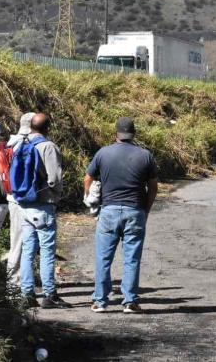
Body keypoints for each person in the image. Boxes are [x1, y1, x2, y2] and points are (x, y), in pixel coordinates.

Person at [84, 117, 158, 314]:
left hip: (108, 211)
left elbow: (88, 178)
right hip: (135, 211)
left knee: (103, 257)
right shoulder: (145, 156)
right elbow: (153, 187)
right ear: (133, 134)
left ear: (116, 133)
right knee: (131, 258)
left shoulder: (103, 153)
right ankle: (130, 301)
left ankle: (100, 301)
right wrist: (146, 209)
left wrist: (90, 198)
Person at [18, 113, 71, 309]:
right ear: (48, 128)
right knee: (47, 252)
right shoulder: (48, 146)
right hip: (43, 205)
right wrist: (56, 196)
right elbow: (54, 179)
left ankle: (27, 294)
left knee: (28, 252)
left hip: (24, 205)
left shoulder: (21, 144)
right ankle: (49, 295)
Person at [5, 112, 35, 285]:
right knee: (20, 243)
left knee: (17, 241)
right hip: (25, 200)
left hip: (12, 198)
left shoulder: (11, 143)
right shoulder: (28, 144)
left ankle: (19, 282)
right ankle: (14, 284)